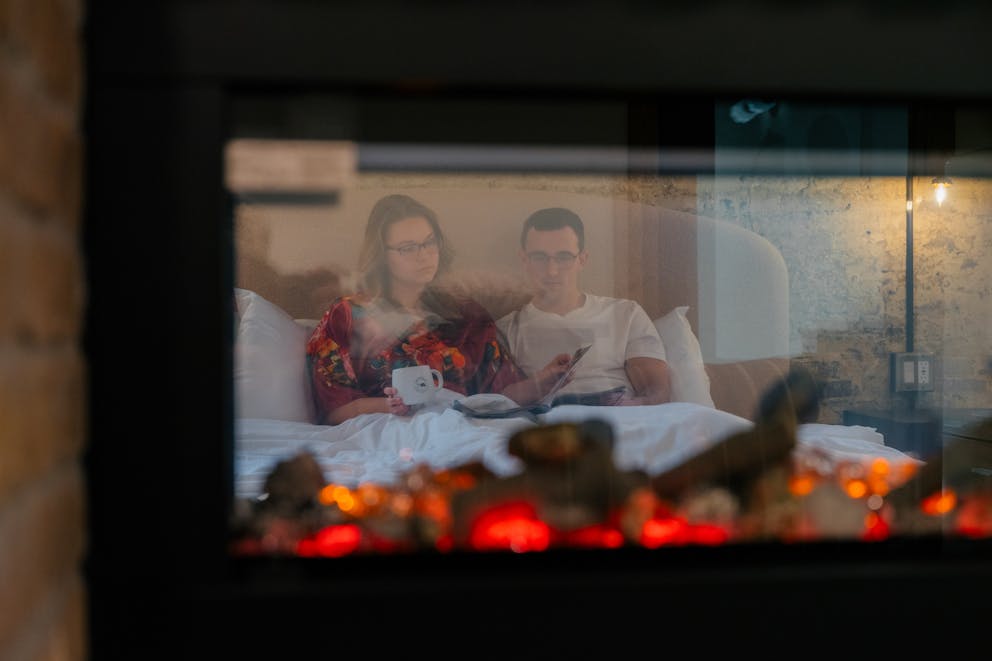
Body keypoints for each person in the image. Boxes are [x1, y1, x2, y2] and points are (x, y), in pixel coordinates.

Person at [306, 194, 572, 425]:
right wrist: (389, 406)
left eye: (429, 242)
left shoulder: (465, 314)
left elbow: (499, 397)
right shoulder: (348, 315)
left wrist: (543, 381)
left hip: (463, 430)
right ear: (382, 256)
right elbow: (334, 412)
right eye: (408, 248)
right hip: (389, 433)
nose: (424, 255)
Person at [496, 206, 672, 405]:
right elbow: (497, 403)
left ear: (582, 260)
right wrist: (539, 383)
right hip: (548, 421)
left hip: (621, 417)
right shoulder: (507, 329)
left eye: (563, 257)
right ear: (524, 260)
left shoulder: (625, 314)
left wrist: (624, 408)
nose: (552, 270)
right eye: (540, 257)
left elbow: (657, 394)